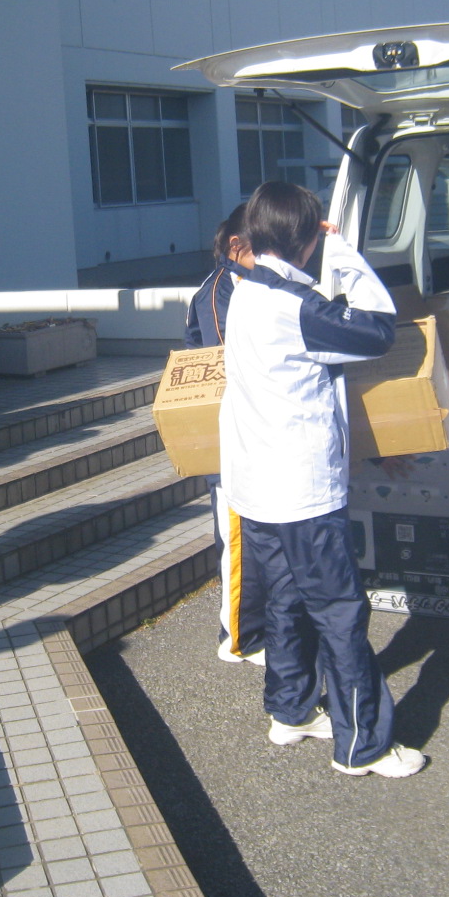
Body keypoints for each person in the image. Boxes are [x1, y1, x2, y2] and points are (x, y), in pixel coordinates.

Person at [220, 181, 426, 779]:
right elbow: (380, 328)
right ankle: (364, 746)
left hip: (257, 487)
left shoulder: (244, 292)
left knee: (285, 602)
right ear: (307, 240)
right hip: (302, 492)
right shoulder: (298, 308)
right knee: (339, 612)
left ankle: (290, 710)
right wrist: (340, 251)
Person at [184, 203, 265, 666]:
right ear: (237, 246)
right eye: (263, 247)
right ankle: (237, 638)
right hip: (230, 442)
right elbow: (226, 365)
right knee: (237, 543)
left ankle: (258, 629)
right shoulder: (217, 293)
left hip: (256, 436)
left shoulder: (251, 286)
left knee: (257, 541)